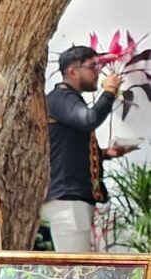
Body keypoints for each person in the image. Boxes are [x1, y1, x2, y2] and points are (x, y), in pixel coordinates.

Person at [43, 45, 136, 252]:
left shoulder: (66, 99)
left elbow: (70, 148)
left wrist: (106, 154)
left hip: (73, 199)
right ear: (72, 71)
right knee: (75, 266)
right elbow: (89, 119)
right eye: (92, 66)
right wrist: (109, 91)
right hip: (68, 200)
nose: (98, 72)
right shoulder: (61, 97)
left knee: (80, 264)